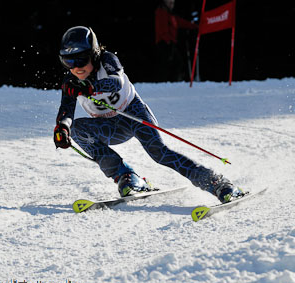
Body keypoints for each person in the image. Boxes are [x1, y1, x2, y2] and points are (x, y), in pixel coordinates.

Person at [53, 26, 243, 203]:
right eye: (69, 61)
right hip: (109, 127)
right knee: (77, 129)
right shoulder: (71, 81)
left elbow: (116, 82)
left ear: (94, 54)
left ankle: (217, 183)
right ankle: (126, 176)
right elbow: (66, 109)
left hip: (133, 114)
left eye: (81, 59)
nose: (76, 67)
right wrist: (62, 127)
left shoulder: (107, 60)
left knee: (159, 153)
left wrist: (92, 87)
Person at [155, 0, 198, 82]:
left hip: (171, 42)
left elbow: (181, 22)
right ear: (165, 3)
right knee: (170, 63)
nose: (172, 5)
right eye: (170, 3)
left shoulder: (171, 15)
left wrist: (194, 26)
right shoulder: (161, 12)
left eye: (173, 3)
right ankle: (166, 82)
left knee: (177, 62)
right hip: (164, 43)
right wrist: (168, 41)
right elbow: (162, 29)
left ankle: (172, 81)